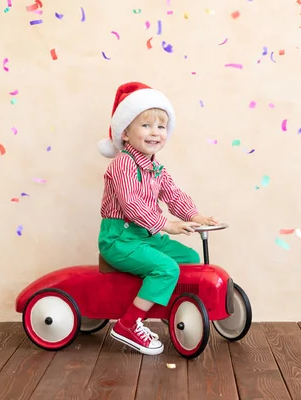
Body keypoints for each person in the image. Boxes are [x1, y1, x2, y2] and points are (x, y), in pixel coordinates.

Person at [97, 81, 218, 355]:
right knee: (166, 269)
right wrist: (166, 225)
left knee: (189, 260)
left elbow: (173, 194)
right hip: (120, 239)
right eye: (146, 126)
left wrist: (196, 216)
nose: (155, 133)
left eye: (161, 127)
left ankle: (170, 311)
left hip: (145, 237)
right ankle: (128, 324)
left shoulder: (156, 168)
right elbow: (132, 204)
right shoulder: (122, 165)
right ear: (125, 133)